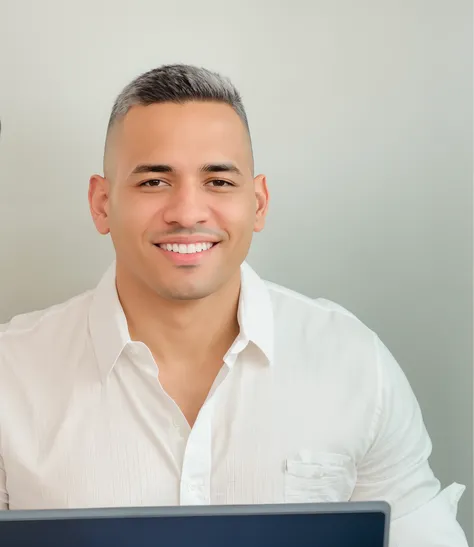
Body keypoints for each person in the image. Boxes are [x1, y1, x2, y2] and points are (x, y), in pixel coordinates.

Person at [0, 64, 467, 545]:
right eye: (153, 182)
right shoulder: (10, 374)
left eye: (219, 182)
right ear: (101, 204)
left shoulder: (354, 364)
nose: (187, 212)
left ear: (259, 203)